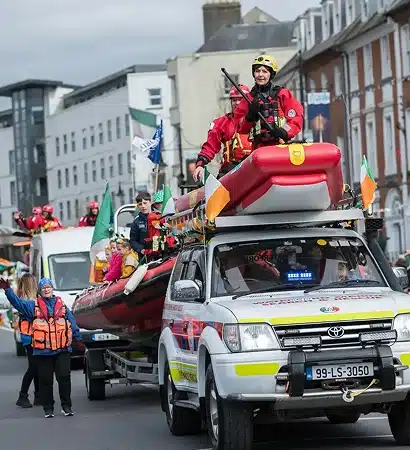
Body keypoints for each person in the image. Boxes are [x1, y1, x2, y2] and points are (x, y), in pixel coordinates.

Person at [0, 277, 82, 418]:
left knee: (64, 378)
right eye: (43, 288)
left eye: (48, 287)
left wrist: (78, 340)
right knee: (45, 381)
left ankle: (66, 407)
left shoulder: (61, 305)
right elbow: (18, 303)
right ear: (40, 291)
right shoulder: (33, 306)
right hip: (43, 351)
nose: (46, 289)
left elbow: (72, 322)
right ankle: (48, 408)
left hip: (62, 349)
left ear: (52, 289)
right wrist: (8, 290)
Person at [234, 55, 304, 149]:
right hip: (259, 148)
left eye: (265, 71)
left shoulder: (282, 94)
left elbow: (296, 119)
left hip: (281, 145)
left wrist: (283, 131)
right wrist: (249, 117)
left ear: (271, 74)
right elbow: (239, 126)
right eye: (257, 71)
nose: (260, 75)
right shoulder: (249, 99)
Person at [193, 84, 253, 182]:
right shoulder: (222, 123)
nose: (237, 103)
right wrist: (200, 164)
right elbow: (210, 146)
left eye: (241, 99)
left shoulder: (258, 120)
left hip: (253, 168)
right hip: (230, 170)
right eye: (234, 100)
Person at [15, 273, 40, 409]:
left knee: (35, 367)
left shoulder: (26, 300)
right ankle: (22, 395)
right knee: (33, 367)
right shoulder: (27, 302)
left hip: (32, 337)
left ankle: (38, 395)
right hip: (30, 337)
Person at [129, 192, 152, 257]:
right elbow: (133, 241)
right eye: (140, 204)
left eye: (145, 203)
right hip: (144, 255)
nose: (143, 206)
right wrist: (141, 249)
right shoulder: (136, 222)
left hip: (159, 253)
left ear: (150, 203)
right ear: (137, 206)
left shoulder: (158, 217)